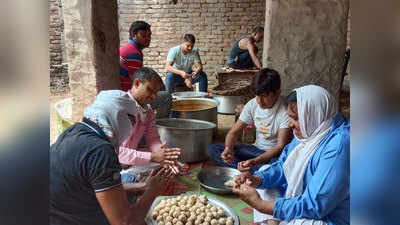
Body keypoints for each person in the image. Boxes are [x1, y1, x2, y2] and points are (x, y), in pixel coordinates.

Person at [50, 90, 176, 225]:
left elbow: (98, 184)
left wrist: (143, 186)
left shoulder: (74, 130)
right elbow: (124, 222)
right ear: (118, 117)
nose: (131, 128)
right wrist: (151, 193)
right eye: (132, 122)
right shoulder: (101, 151)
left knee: (129, 186)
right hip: (72, 219)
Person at [232, 85, 350, 225]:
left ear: (313, 115)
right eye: (289, 117)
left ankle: (275, 219)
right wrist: (256, 179)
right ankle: (273, 220)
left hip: (331, 215)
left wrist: (261, 205)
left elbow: (315, 205)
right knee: (263, 173)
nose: (290, 124)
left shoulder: (339, 146)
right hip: (304, 197)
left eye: (295, 118)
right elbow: (284, 166)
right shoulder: (310, 130)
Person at [207, 68, 291, 174]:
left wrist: (255, 161)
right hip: (254, 149)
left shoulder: (285, 110)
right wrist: (228, 149)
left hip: (272, 155)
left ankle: (246, 169)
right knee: (212, 148)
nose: (260, 101)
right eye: (257, 95)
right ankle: (248, 169)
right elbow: (233, 132)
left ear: (277, 93)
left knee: (280, 165)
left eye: (264, 96)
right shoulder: (252, 104)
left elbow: (280, 146)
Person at [119, 67, 184, 184]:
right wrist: (152, 157)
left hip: (130, 161)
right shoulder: (120, 108)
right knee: (131, 181)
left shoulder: (147, 111)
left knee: (168, 167)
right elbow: (117, 153)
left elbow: (153, 139)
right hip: (112, 164)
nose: (154, 97)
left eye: (156, 93)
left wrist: (164, 156)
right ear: (137, 83)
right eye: (150, 90)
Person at [120, 20, 172, 119]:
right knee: (166, 97)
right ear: (133, 35)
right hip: (127, 98)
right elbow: (136, 83)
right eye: (144, 36)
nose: (148, 39)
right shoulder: (133, 53)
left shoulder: (128, 48)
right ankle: (156, 127)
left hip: (125, 93)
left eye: (149, 36)